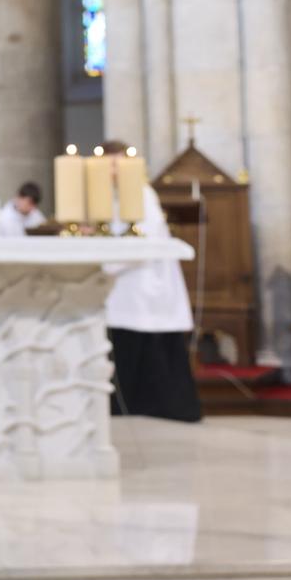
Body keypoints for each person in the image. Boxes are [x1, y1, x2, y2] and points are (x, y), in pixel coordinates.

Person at [96, 140, 202, 422]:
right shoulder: (104, 195)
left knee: (144, 341)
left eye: (117, 163)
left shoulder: (142, 194)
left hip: (142, 280)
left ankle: (163, 406)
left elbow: (145, 239)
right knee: (124, 342)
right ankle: (128, 404)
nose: (112, 170)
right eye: (107, 164)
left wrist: (105, 265)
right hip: (122, 283)